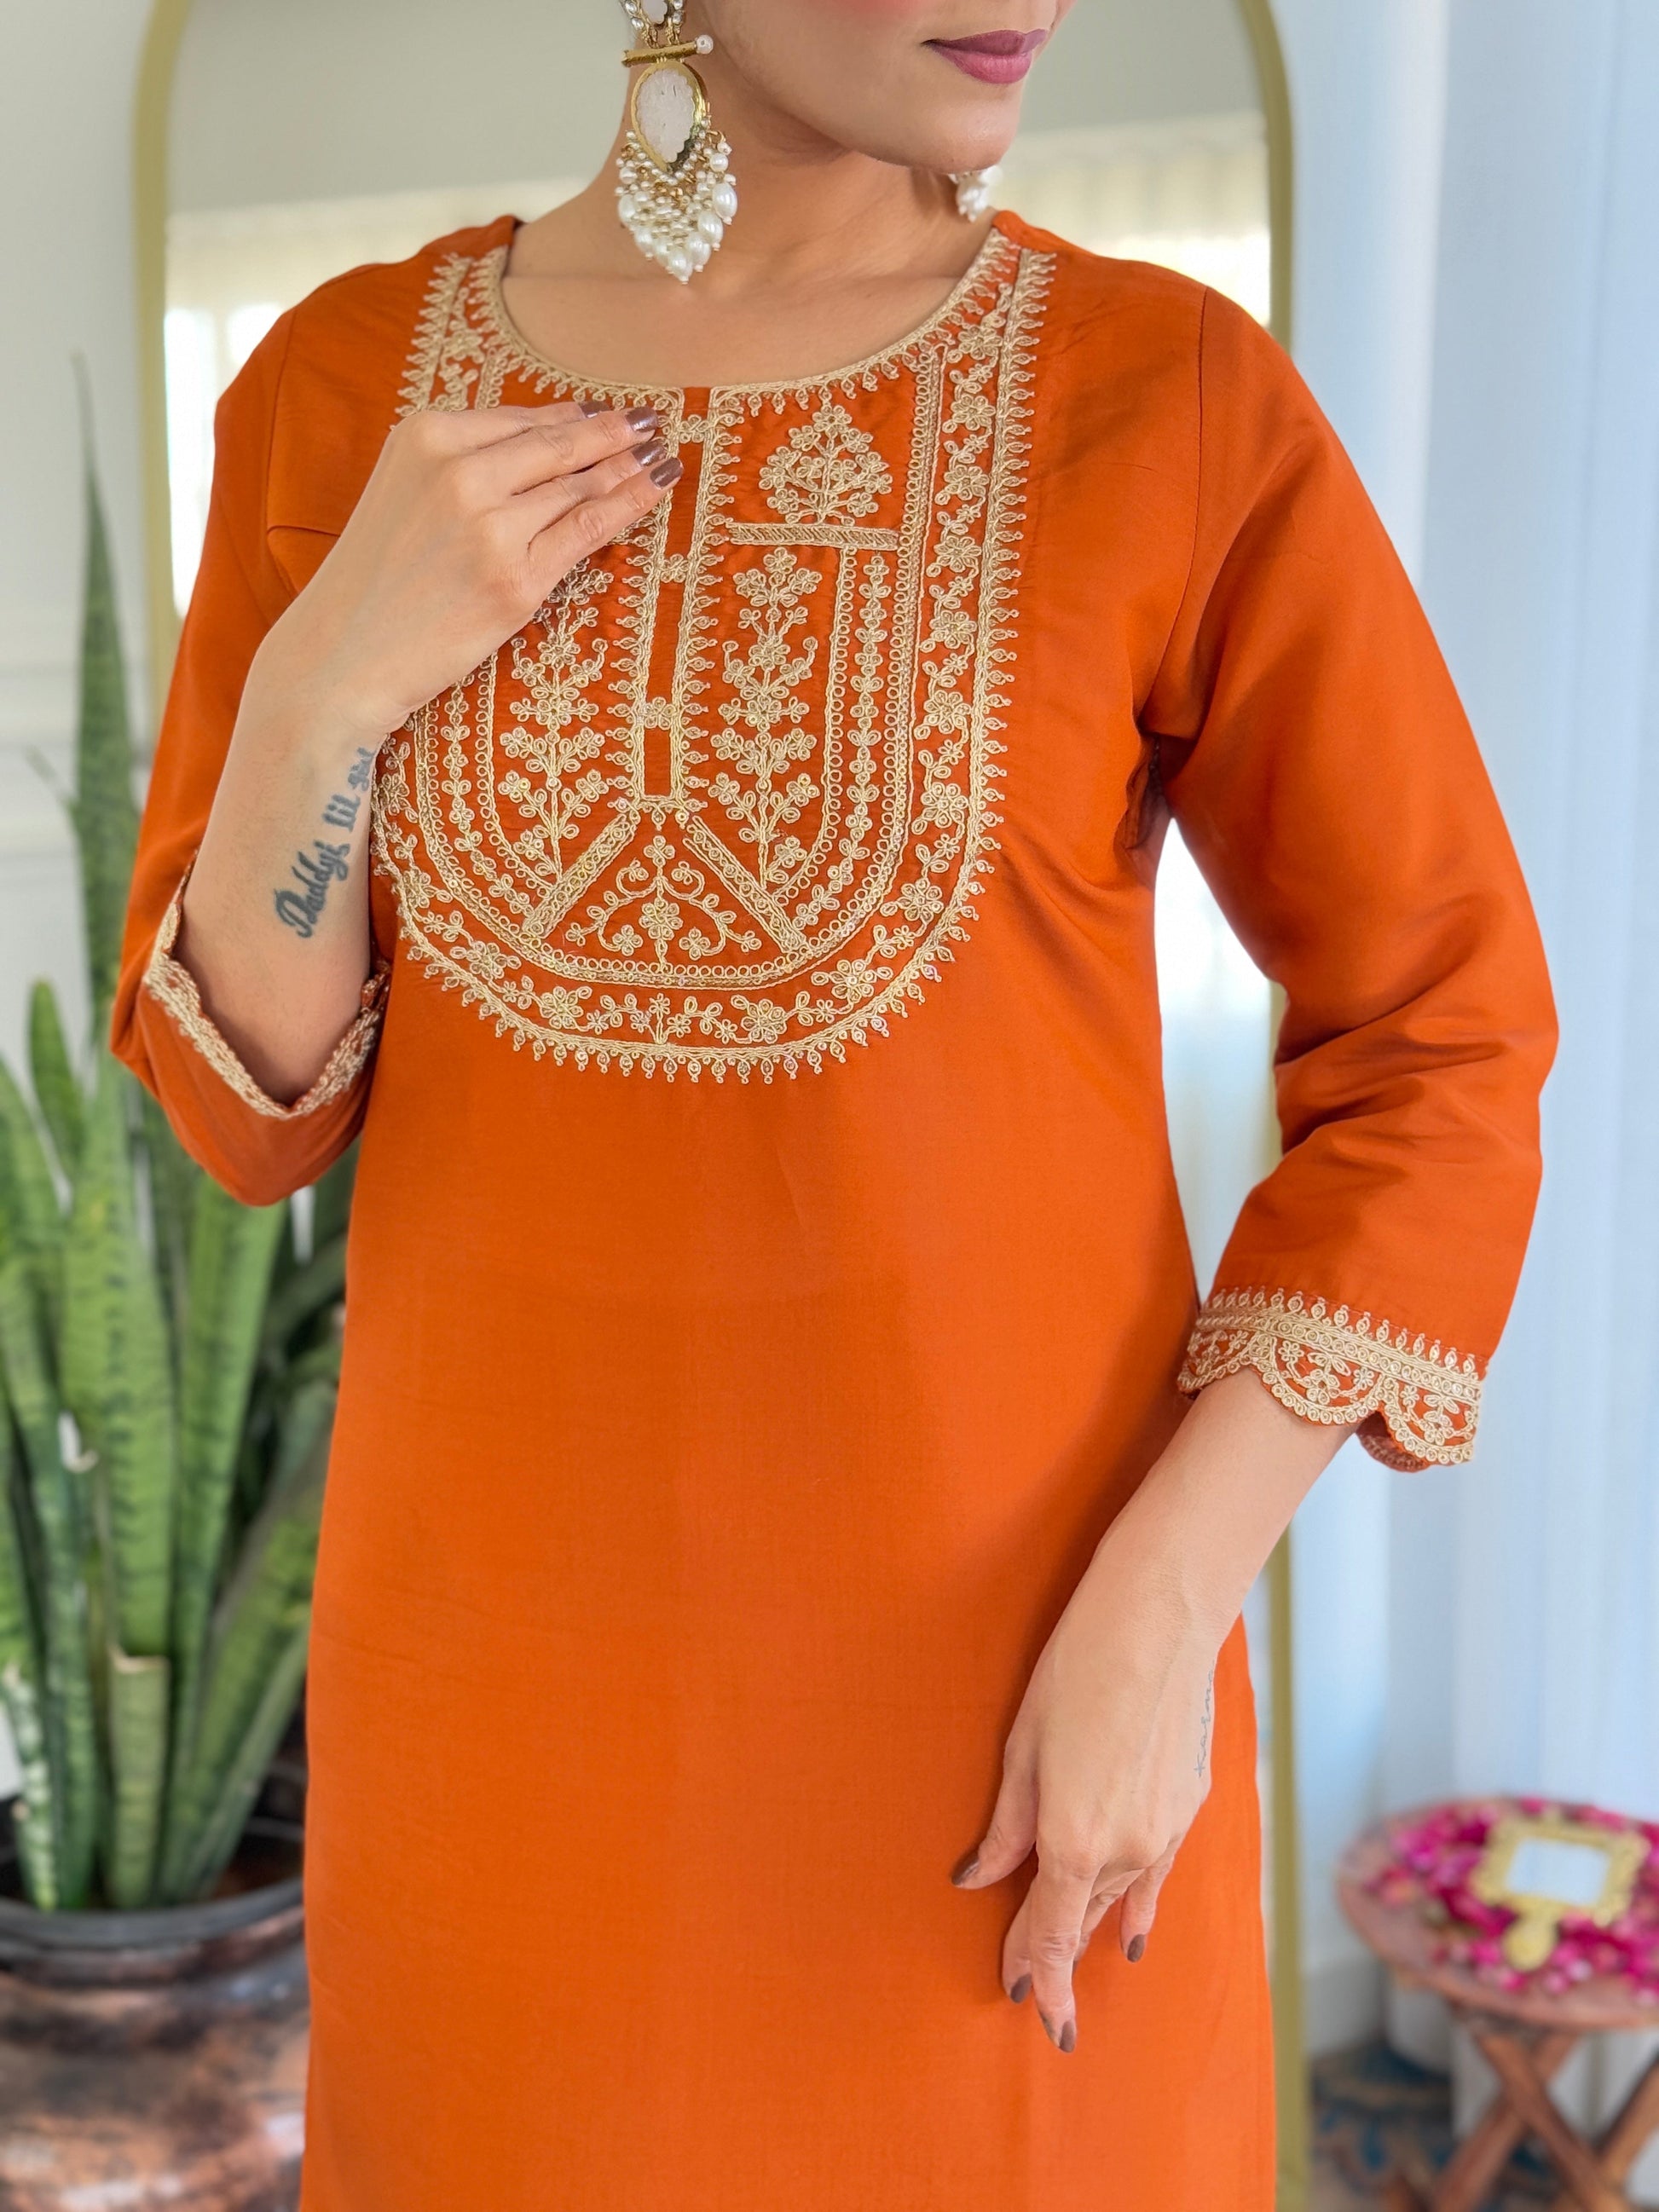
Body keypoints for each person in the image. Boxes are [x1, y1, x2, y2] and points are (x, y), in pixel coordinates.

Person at [113, 3, 1556, 2206]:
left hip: (1024, 1714)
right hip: (496, 1726)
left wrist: (1165, 1616)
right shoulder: (340, 387)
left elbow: (1436, 1035)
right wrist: (323, 689)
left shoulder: (1163, 394)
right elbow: (249, 1120)